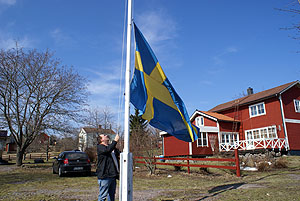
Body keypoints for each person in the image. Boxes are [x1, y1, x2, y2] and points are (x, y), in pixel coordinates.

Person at [96, 133, 120, 201]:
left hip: (112, 175)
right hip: (105, 176)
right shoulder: (100, 147)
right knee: (103, 196)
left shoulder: (111, 147)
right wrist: (115, 141)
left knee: (112, 195)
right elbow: (107, 150)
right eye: (104, 135)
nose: (106, 135)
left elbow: (118, 153)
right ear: (101, 140)